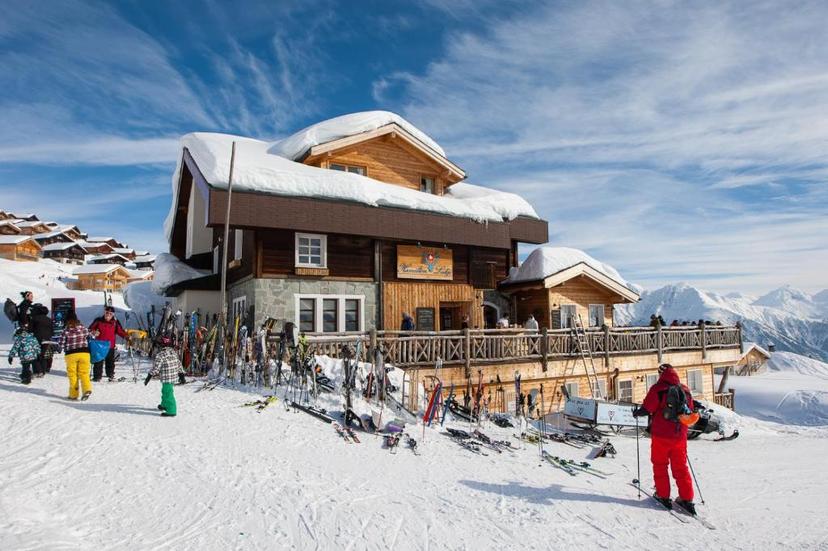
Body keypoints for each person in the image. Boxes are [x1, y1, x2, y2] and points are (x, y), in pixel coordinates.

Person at [633, 363, 697, 514]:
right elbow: (690, 409)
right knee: (681, 467)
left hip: (661, 435)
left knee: (660, 464)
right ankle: (687, 498)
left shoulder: (658, 389)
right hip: (680, 434)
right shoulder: (685, 389)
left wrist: (637, 412)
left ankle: (663, 496)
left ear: (661, 374)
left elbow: (648, 408)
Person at [148, 336, 185, 417]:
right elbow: (179, 364)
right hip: (173, 376)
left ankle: (171, 410)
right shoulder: (173, 353)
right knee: (165, 391)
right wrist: (181, 375)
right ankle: (164, 404)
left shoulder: (160, 355)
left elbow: (156, 368)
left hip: (166, 377)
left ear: (161, 345)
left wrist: (149, 375)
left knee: (168, 393)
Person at [89, 305, 128, 382]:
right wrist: (94, 332)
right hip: (99, 345)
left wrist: (126, 337)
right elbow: (90, 329)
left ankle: (110, 374)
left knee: (110, 361)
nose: (108, 315)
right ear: (104, 312)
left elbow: (120, 331)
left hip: (110, 345)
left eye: (110, 313)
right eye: (107, 312)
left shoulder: (115, 322)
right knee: (98, 361)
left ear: (113, 314)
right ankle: (97, 376)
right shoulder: (98, 320)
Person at [59, 310, 93, 400]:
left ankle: (73, 395)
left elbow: (61, 344)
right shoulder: (83, 328)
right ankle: (87, 389)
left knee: (72, 375)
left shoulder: (66, 330)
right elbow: (90, 335)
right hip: (84, 353)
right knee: (84, 373)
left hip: (71, 354)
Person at [29, 303, 53, 377]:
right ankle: (43, 371)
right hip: (47, 339)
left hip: (37, 339)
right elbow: (52, 331)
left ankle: (37, 371)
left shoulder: (34, 319)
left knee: (35, 354)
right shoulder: (49, 319)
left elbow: (30, 330)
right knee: (43, 355)